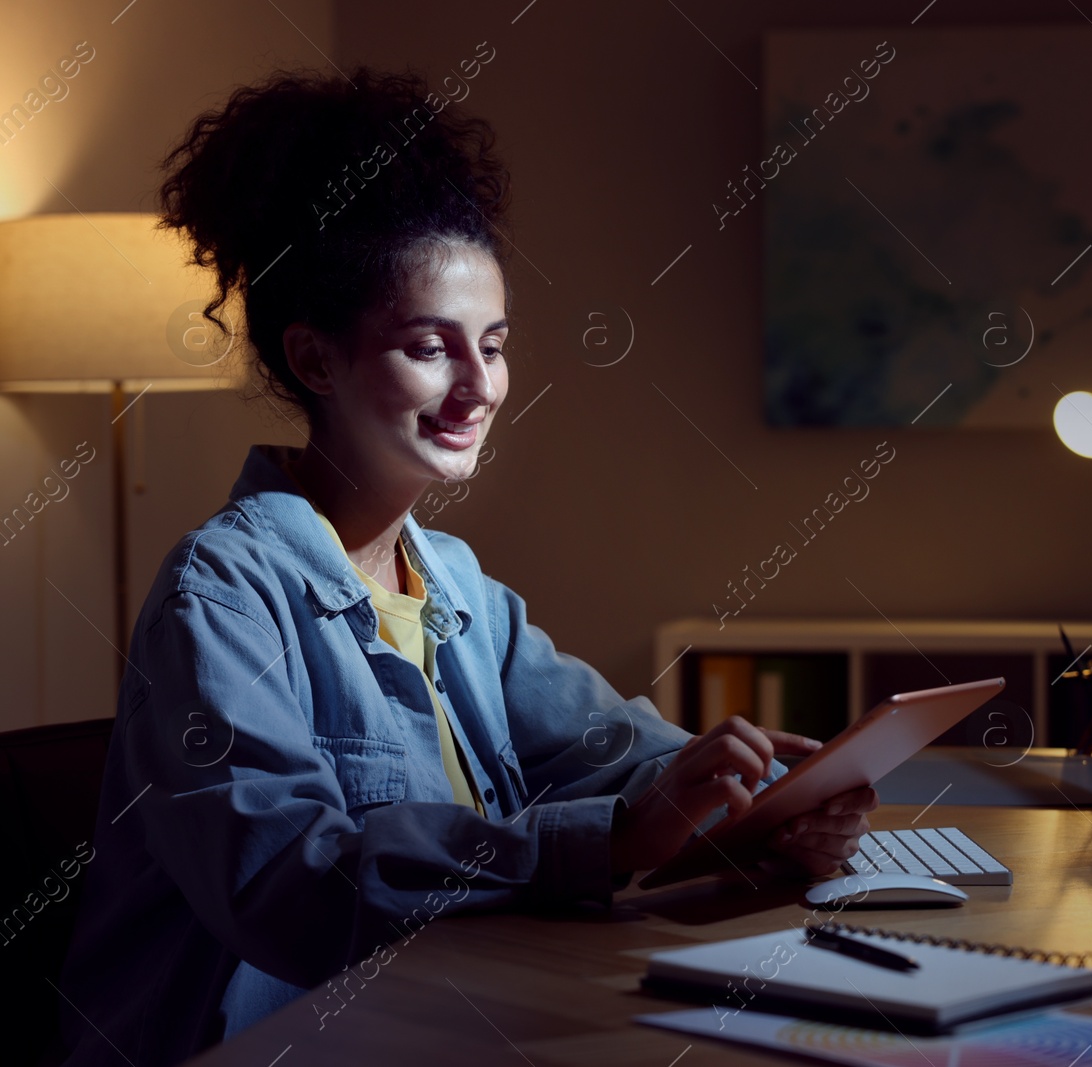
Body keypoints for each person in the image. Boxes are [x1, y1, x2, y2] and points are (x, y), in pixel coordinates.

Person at [57, 68, 875, 1067]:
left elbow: (608, 748)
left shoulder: (450, 581)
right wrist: (614, 837)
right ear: (315, 359)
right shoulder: (221, 595)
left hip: (442, 1016)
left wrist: (753, 795)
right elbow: (290, 886)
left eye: (492, 344)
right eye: (429, 347)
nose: (479, 385)